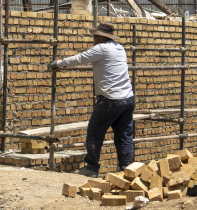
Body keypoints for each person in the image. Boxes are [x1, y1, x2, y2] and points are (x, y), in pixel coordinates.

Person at [50, 21, 135, 177]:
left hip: (111, 99)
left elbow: (80, 59)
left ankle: (91, 168)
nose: (94, 37)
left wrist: (58, 63)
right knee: (124, 136)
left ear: (102, 36)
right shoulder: (120, 48)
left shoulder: (101, 49)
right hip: (128, 98)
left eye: (96, 34)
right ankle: (127, 171)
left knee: (94, 133)